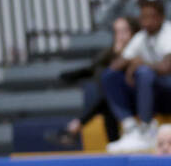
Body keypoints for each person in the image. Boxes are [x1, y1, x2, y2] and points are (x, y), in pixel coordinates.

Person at [103, 0, 171, 153]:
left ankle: (146, 130)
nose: (146, 22)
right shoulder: (141, 37)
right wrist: (120, 49)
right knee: (109, 76)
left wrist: (139, 64)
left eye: (151, 17)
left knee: (144, 72)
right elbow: (114, 67)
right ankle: (131, 127)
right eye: (143, 17)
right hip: (161, 94)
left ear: (161, 17)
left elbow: (166, 67)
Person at [57, 15, 139, 145]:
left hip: (136, 97)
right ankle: (112, 144)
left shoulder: (138, 48)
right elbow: (94, 67)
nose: (120, 35)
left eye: (124, 31)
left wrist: (118, 53)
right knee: (107, 100)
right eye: (117, 31)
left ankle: (75, 126)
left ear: (134, 31)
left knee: (108, 96)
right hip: (113, 100)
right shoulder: (110, 51)